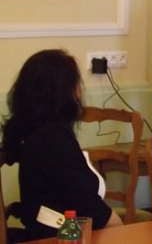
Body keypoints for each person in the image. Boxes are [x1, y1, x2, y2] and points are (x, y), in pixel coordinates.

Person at [0, 49, 123, 241]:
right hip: (60, 237)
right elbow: (91, 209)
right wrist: (122, 230)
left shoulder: (35, 131)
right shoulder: (52, 139)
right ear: (68, 92)